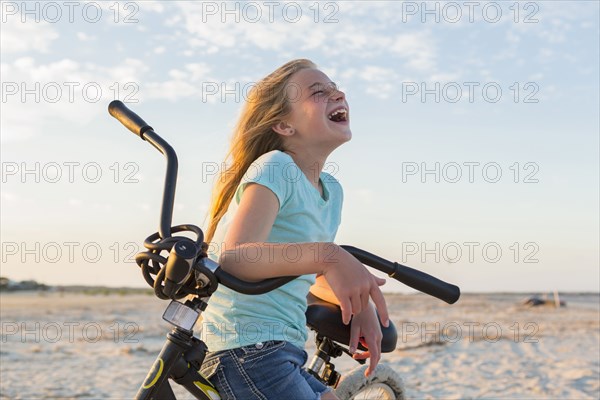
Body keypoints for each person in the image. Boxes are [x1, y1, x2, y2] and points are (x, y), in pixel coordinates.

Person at [199, 59, 389, 400]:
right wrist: (330, 256)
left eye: (336, 88)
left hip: (281, 348)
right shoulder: (276, 167)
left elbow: (310, 274)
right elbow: (237, 257)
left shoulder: (331, 192)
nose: (338, 94)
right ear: (284, 124)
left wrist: (361, 306)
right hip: (244, 347)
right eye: (320, 92)